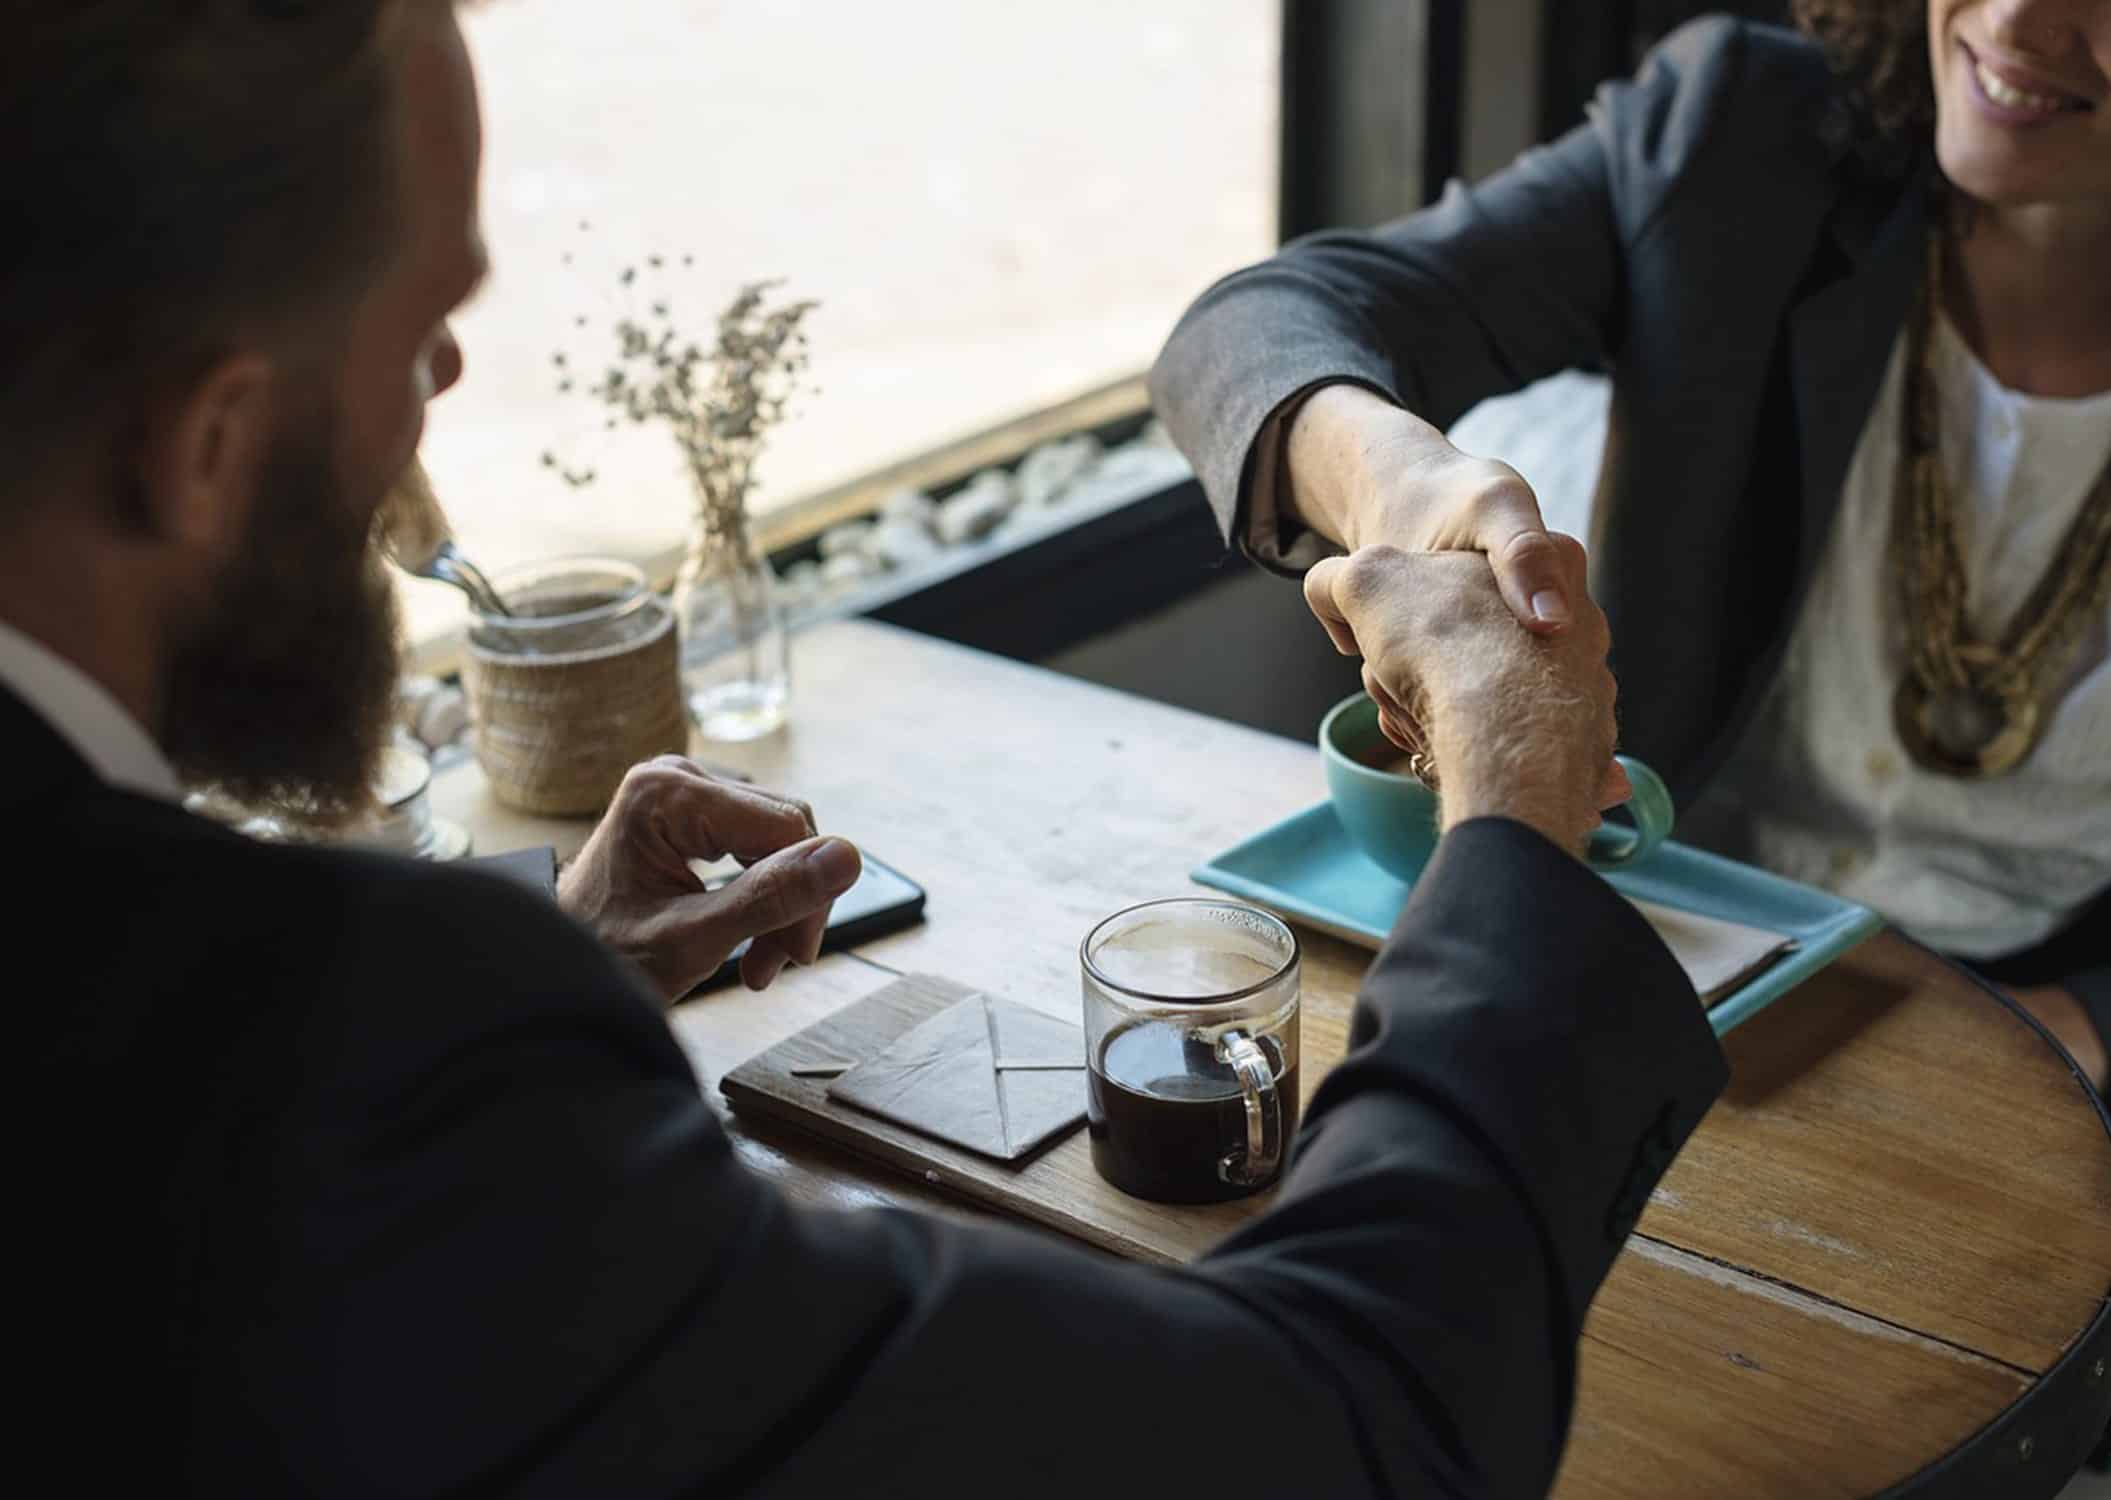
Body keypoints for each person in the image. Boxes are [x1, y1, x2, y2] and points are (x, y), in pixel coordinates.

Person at [10, 3, 1727, 1494]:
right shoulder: (339, 1071)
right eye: (421, 340)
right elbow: (1332, 1434)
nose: (428, 411)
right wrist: (1511, 786)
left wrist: (549, 966)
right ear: (212, 441)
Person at [1151, 0, 2111, 1092]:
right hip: (1661, 966)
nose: (2018, 19)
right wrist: (1402, 487)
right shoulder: (1742, 131)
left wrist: (2075, 1030)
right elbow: (1253, 329)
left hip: (2043, 1044)